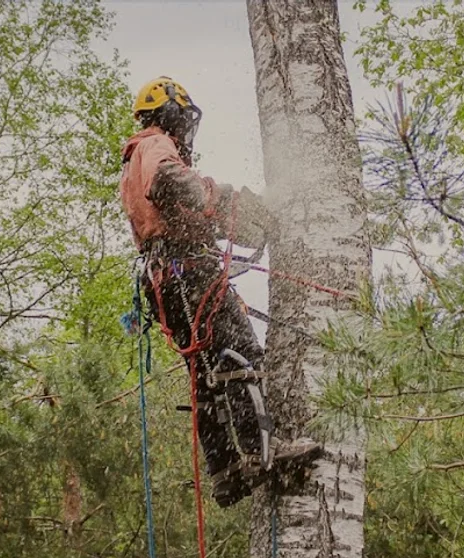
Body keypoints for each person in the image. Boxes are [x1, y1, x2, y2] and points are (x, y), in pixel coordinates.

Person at [119, 76, 321, 507]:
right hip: (190, 274)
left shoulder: (132, 162)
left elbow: (182, 212)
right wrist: (219, 194)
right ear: (171, 112)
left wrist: (238, 217)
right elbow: (171, 182)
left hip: (167, 282)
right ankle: (262, 452)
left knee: (206, 375)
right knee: (241, 351)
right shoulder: (154, 145)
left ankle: (225, 469)